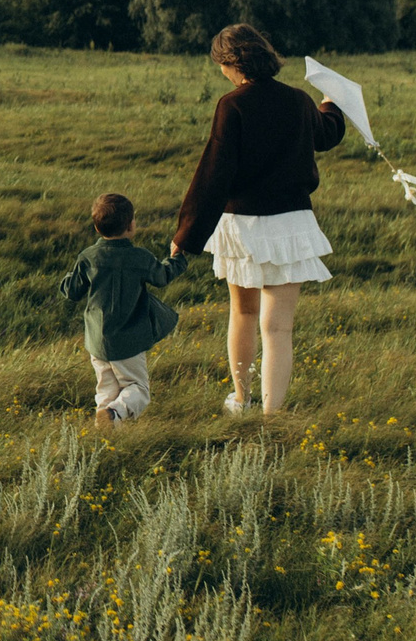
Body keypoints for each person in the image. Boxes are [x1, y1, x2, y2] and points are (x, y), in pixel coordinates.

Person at [170, 23, 349, 416]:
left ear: (233, 63)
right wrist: (331, 102)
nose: (221, 72)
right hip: (291, 225)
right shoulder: (299, 100)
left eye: (221, 64)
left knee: (244, 314)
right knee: (279, 328)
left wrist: (186, 234)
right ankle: (272, 415)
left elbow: (213, 174)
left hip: (244, 226)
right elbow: (326, 134)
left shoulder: (231, 105)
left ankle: (241, 400)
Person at [58, 192, 185, 428]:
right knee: (138, 388)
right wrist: (177, 257)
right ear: (130, 226)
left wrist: (68, 277)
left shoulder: (88, 257)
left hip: (98, 340)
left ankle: (105, 430)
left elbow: (72, 291)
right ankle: (115, 414)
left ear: (97, 228)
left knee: (106, 391)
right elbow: (162, 276)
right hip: (129, 341)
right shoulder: (140, 257)